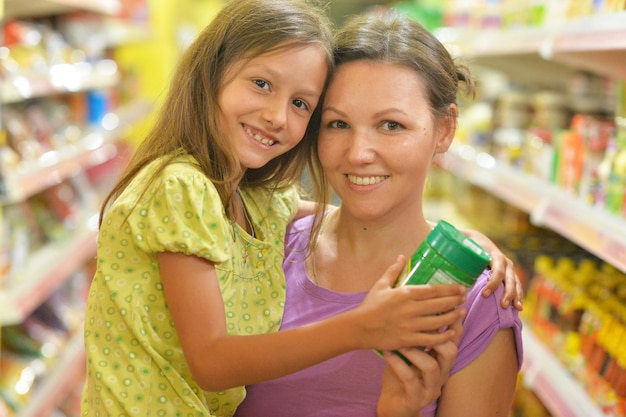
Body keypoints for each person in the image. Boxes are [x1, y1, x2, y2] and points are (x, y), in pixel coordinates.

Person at [80, 1, 491, 416]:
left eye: (301, 104)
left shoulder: (255, 199)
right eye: (261, 83)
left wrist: (464, 239)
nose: (277, 116)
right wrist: (361, 327)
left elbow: (335, 210)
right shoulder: (179, 185)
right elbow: (212, 363)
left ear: (445, 130)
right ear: (211, 73)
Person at [234, 11, 523, 417]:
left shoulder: (476, 298)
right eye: (337, 124)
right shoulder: (266, 243)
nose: (358, 153)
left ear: (444, 129)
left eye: (390, 125)